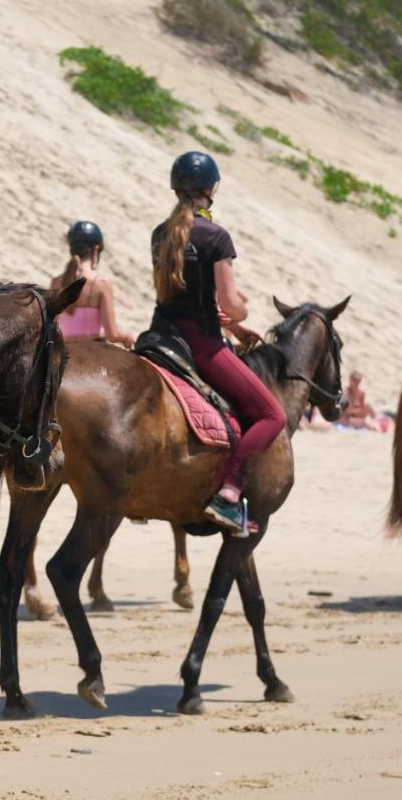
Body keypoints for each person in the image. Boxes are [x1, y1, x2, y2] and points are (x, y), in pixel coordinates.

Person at [150, 151, 284, 534]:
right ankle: (229, 495)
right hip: (201, 343)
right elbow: (230, 305)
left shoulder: (161, 233)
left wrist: (233, 328)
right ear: (211, 189)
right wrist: (240, 314)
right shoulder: (215, 236)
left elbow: (179, 294)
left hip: (160, 335)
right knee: (272, 415)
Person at [51, 221, 136, 348]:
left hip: (64, 349)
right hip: (93, 348)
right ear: (96, 250)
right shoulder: (101, 283)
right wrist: (126, 337)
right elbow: (112, 334)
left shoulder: (56, 283)